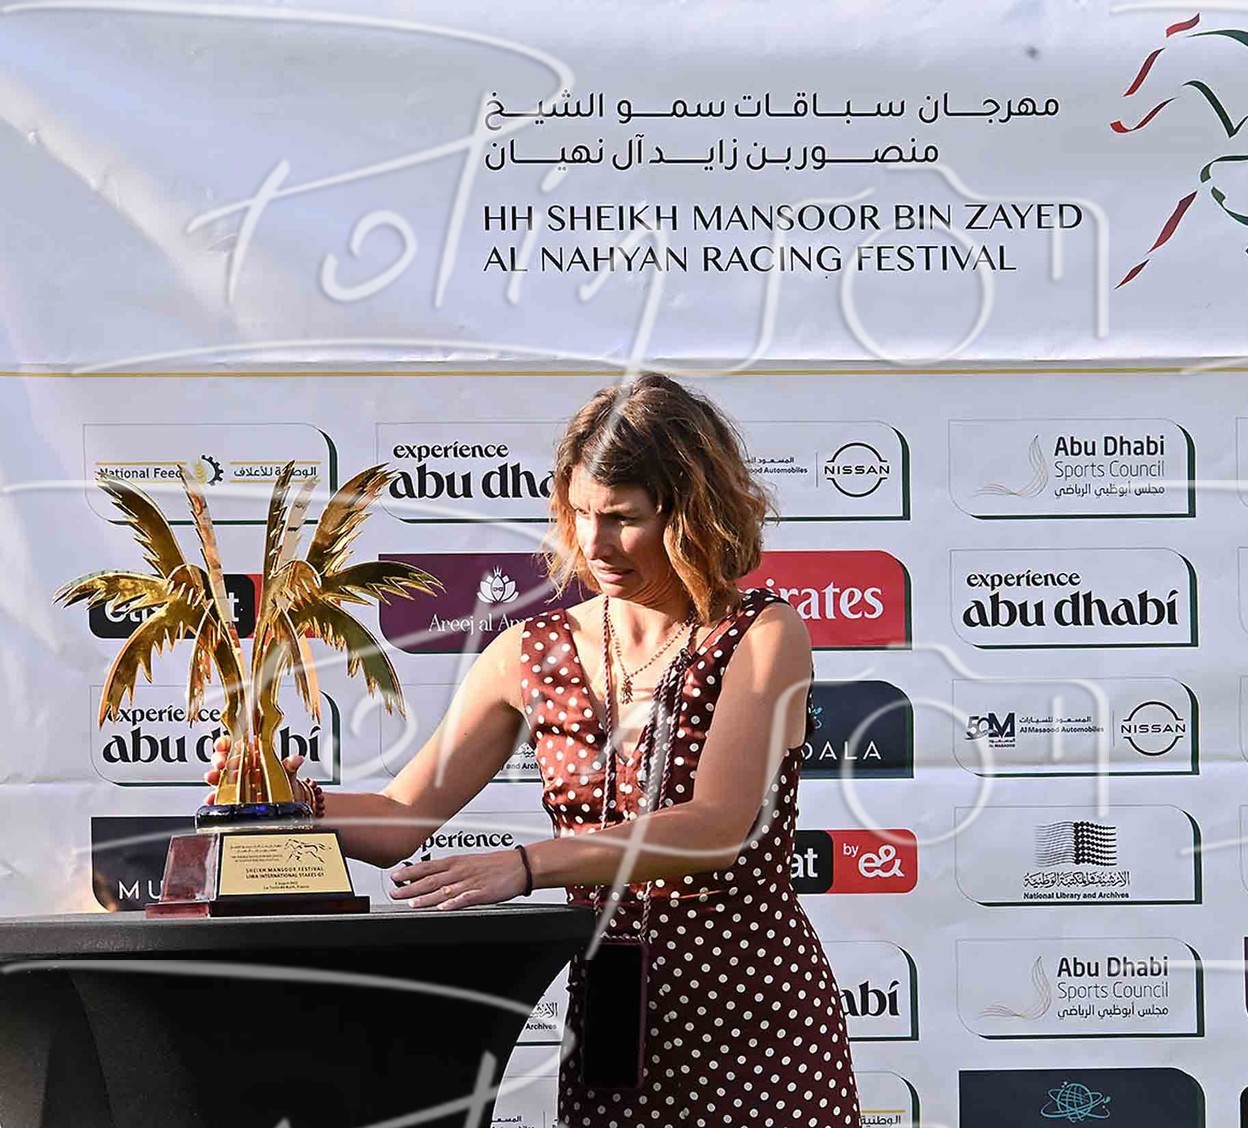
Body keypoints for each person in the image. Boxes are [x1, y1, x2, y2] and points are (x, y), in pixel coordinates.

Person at [205, 372, 862, 1127]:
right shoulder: (530, 650)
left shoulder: (761, 632)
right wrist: (290, 806)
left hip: (759, 1020)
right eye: (580, 512)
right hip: (613, 1021)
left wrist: (525, 866)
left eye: (624, 518)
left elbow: (715, 826)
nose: (595, 543)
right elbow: (400, 820)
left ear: (691, 513)